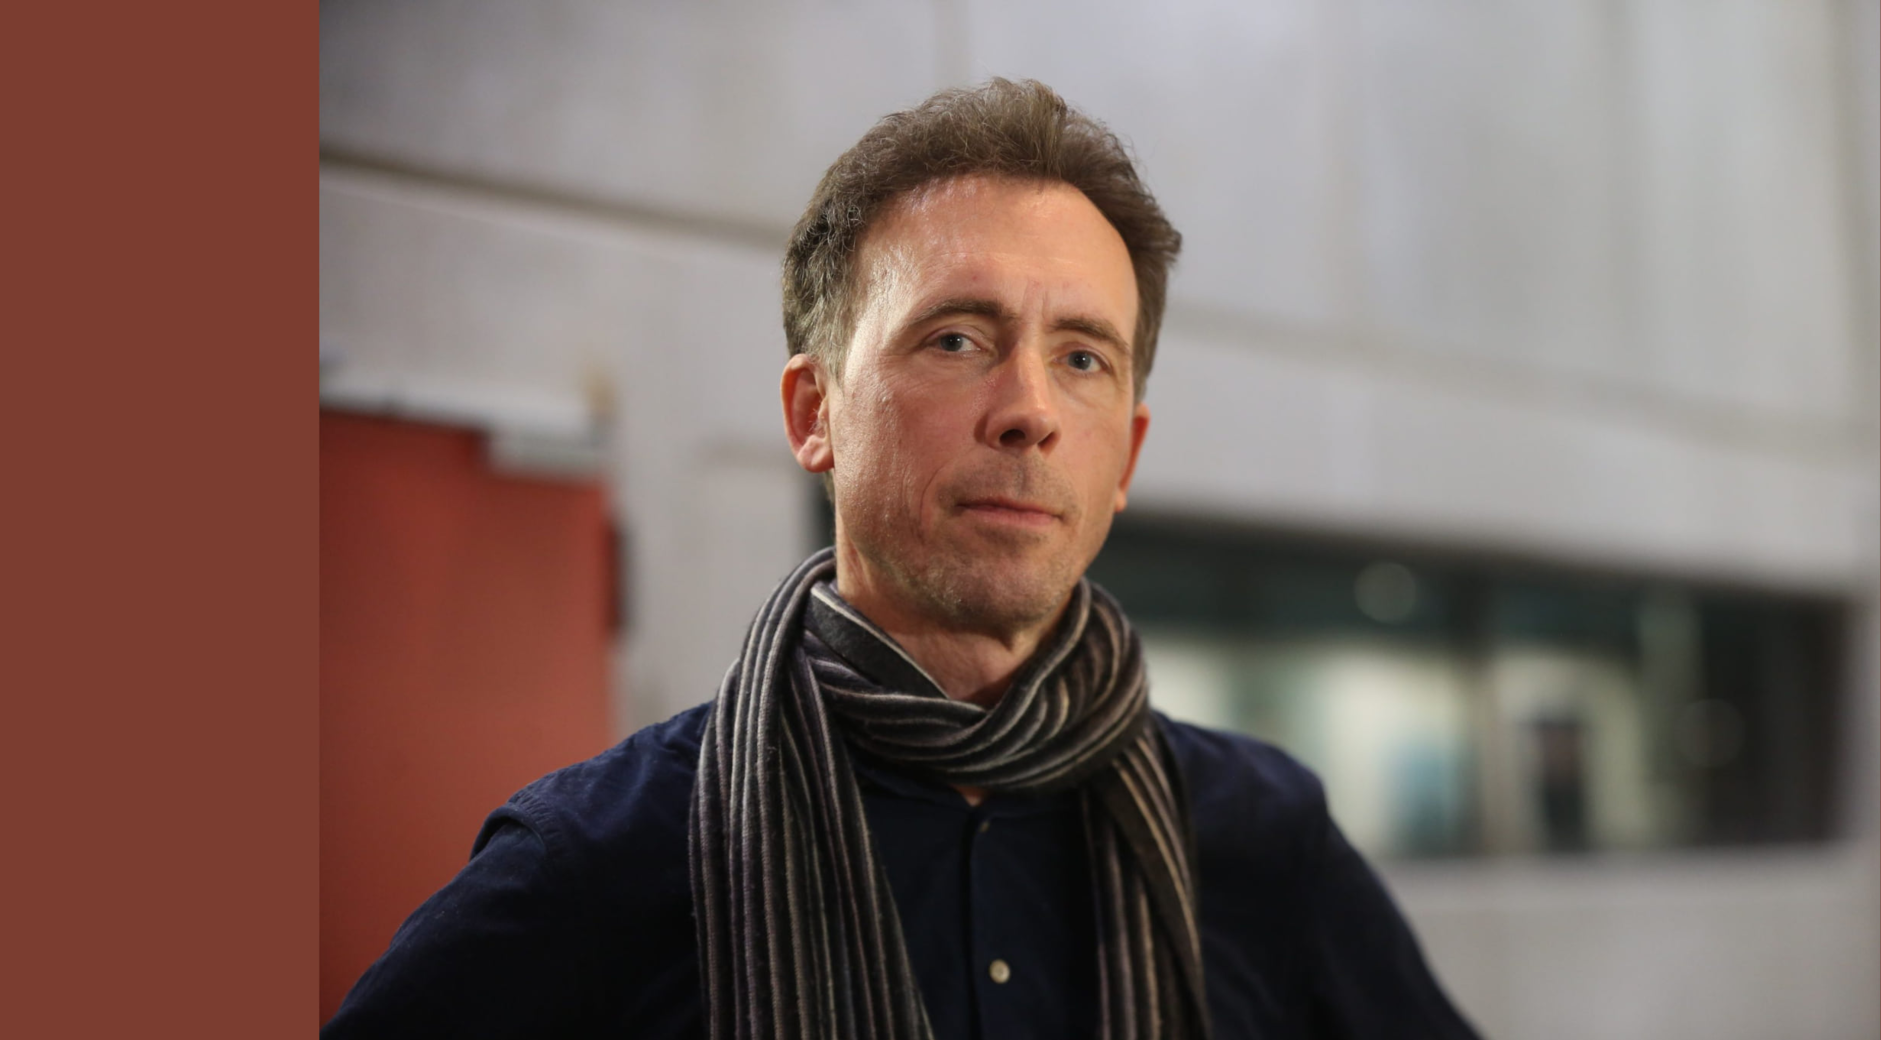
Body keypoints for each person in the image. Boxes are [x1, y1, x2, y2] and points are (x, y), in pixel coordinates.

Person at [325, 78, 1481, 1040]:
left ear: (1126, 452)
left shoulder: (1259, 833)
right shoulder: (608, 856)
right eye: (957, 337)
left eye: (1082, 357)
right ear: (813, 412)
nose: (1029, 410)